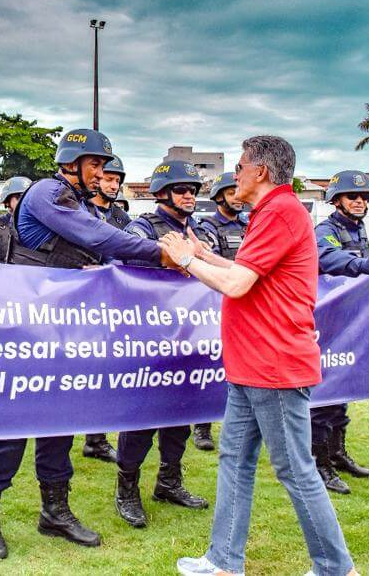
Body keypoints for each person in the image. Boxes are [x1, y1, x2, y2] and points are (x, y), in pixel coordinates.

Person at [0, 128, 172, 561]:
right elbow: (101, 239)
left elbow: (110, 254)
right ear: (72, 163)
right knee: (13, 425)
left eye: (104, 166)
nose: (103, 173)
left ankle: (55, 510)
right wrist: (161, 253)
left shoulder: (80, 203)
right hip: (22, 330)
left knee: (60, 422)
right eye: (96, 164)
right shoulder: (48, 192)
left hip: (62, 330)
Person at [162, 135, 357, 576]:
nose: (235, 175)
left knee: (295, 470)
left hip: (274, 365)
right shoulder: (272, 212)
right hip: (251, 365)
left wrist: (186, 261)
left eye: (240, 166)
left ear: (261, 172)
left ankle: (336, 568)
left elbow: (236, 286)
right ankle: (223, 560)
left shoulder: (282, 212)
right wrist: (206, 254)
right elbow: (247, 272)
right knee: (235, 460)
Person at [114, 160, 210, 529]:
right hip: (150, 339)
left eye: (193, 190)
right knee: (140, 420)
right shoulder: (141, 227)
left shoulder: (199, 231)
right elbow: (124, 264)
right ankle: (127, 490)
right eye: (181, 189)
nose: (189, 195)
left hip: (192, 336)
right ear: (160, 192)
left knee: (180, 417)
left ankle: (169, 482)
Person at [311, 171, 369, 495]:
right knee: (324, 395)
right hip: (325, 321)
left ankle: (338, 455)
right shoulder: (326, 230)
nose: (359, 201)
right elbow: (330, 259)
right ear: (336, 200)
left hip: (351, 320)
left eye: (364, 197)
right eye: (352, 196)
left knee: (344, 390)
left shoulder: (359, 228)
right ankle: (319, 464)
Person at [193, 171, 249, 452]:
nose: (237, 198)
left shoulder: (250, 225)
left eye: (239, 192)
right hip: (211, 303)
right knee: (209, 365)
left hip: (244, 304)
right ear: (218, 197)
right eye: (231, 193)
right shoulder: (207, 227)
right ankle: (202, 426)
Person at [80, 155, 130, 465]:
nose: (112, 184)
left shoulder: (124, 220)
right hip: (79, 306)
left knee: (105, 373)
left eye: (117, 181)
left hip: (113, 307)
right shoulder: (82, 212)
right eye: (108, 178)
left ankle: (96, 439)